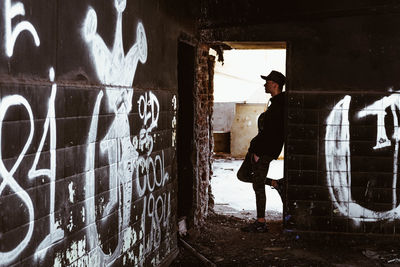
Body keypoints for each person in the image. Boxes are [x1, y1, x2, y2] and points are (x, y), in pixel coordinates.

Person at [237, 70, 286, 233]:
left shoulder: (279, 106)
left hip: (262, 152)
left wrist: (259, 152)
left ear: (275, 85)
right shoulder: (275, 103)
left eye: (267, 82)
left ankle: (261, 222)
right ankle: (274, 183)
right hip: (258, 149)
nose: (265, 84)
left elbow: (273, 134)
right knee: (243, 175)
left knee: (258, 185)